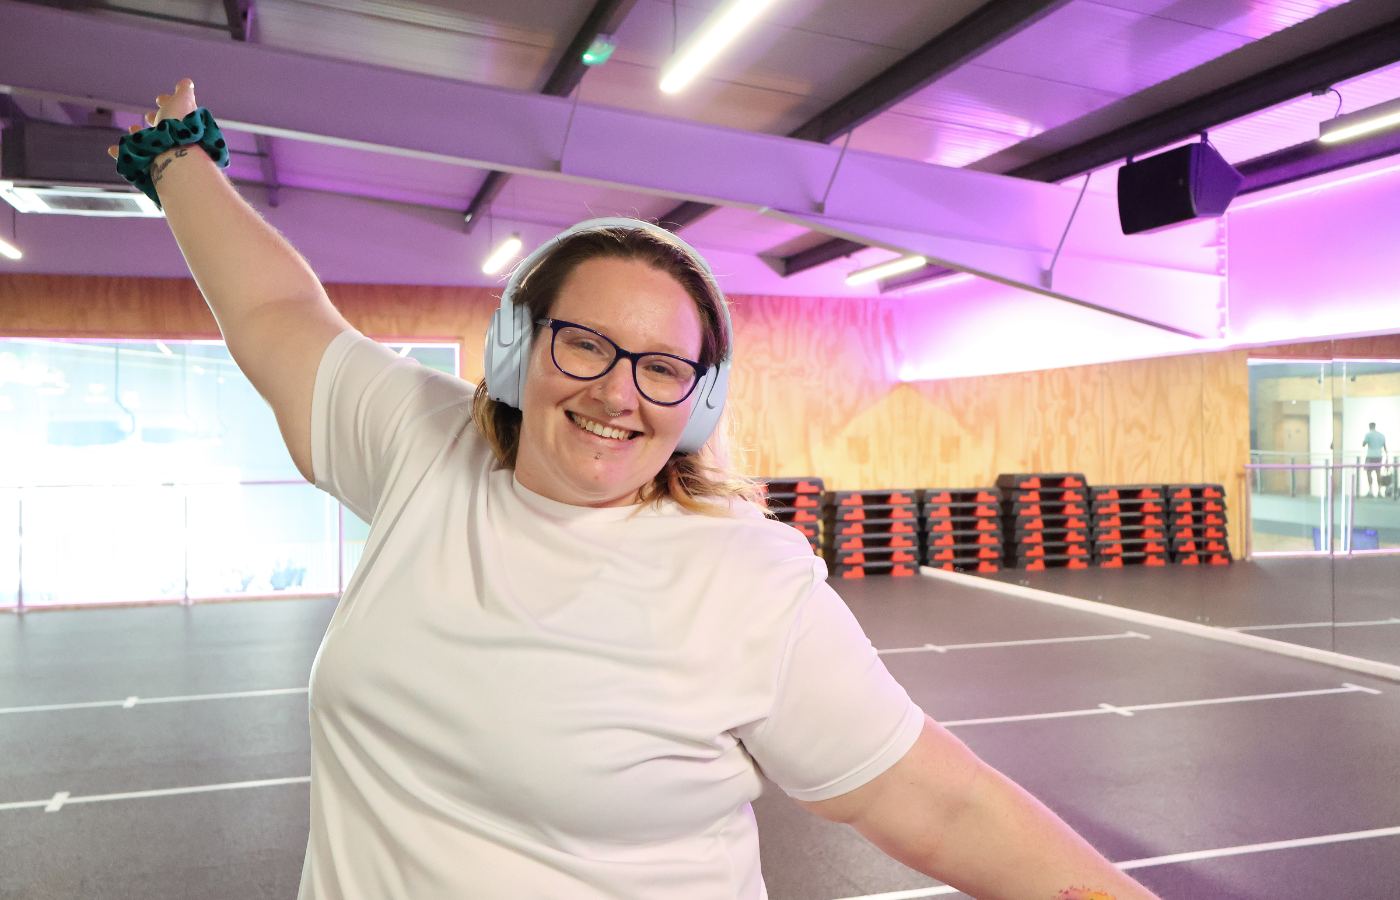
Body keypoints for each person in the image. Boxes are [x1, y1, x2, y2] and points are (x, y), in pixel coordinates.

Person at [112, 79, 1161, 900]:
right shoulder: (419, 447)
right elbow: (277, 315)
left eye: (661, 367)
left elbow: (942, 807)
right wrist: (182, 164)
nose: (619, 392)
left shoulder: (746, 578)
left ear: (696, 402)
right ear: (520, 351)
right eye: (586, 344)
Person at [1361, 422, 1388, 497]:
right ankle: (1379, 491)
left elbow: (1363, 444)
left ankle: (1370, 491)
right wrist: (1387, 458)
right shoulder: (1381, 435)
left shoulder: (1368, 434)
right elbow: (1385, 447)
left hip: (1370, 456)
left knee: (1369, 473)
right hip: (1379, 455)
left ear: (1370, 426)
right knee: (1378, 473)